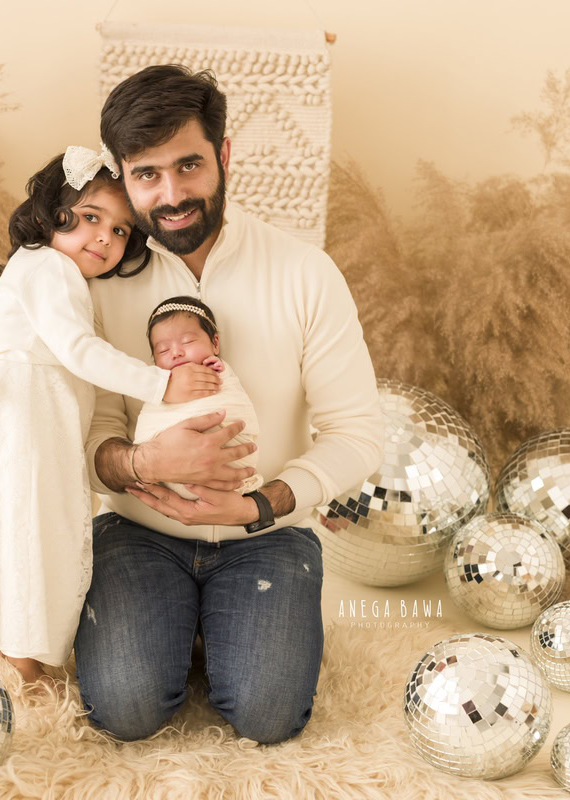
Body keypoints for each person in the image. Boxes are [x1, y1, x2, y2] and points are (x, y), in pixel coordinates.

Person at [74, 65, 385, 743]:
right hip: (138, 532)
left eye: (188, 165)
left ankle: (218, 624)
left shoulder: (306, 274)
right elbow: (89, 431)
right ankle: (175, 624)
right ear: (122, 177)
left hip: (268, 538)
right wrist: (142, 460)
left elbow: (357, 434)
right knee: (125, 711)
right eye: (147, 174)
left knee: (268, 716)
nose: (172, 193)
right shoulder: (98, 284)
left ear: (224, 154)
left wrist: (256, 505)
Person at [0, 146, 222, 685]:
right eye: (92, 218)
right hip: (20, 424)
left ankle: (8, 653)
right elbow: (78, 351)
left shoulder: (67, 276)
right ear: (52, 213)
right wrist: (160, 383)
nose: (105, 238)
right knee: (23, 532)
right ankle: (14, 659)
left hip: (35, 423)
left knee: (17, 533)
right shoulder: (46, 266)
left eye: (122, 230)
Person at [133, 295, 263, 501]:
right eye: (163, 350)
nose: (175, 353)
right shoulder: (156, 385)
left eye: (188, 341)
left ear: (215, 343)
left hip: (233, 471)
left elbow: (231, 395)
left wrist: (219, 371)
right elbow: (149, 423)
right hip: (171, 477)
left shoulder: (218, 372)